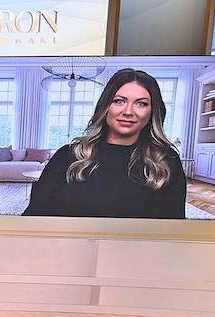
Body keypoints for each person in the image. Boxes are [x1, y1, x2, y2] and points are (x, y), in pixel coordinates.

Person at [23, 68, 187, 219]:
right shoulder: (68, 155)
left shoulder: (167, 161)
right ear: (106, 106)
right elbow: (33, 217)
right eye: (119, 101)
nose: (128, 111)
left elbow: (175, 229)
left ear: (152, 112)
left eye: (141, 103)